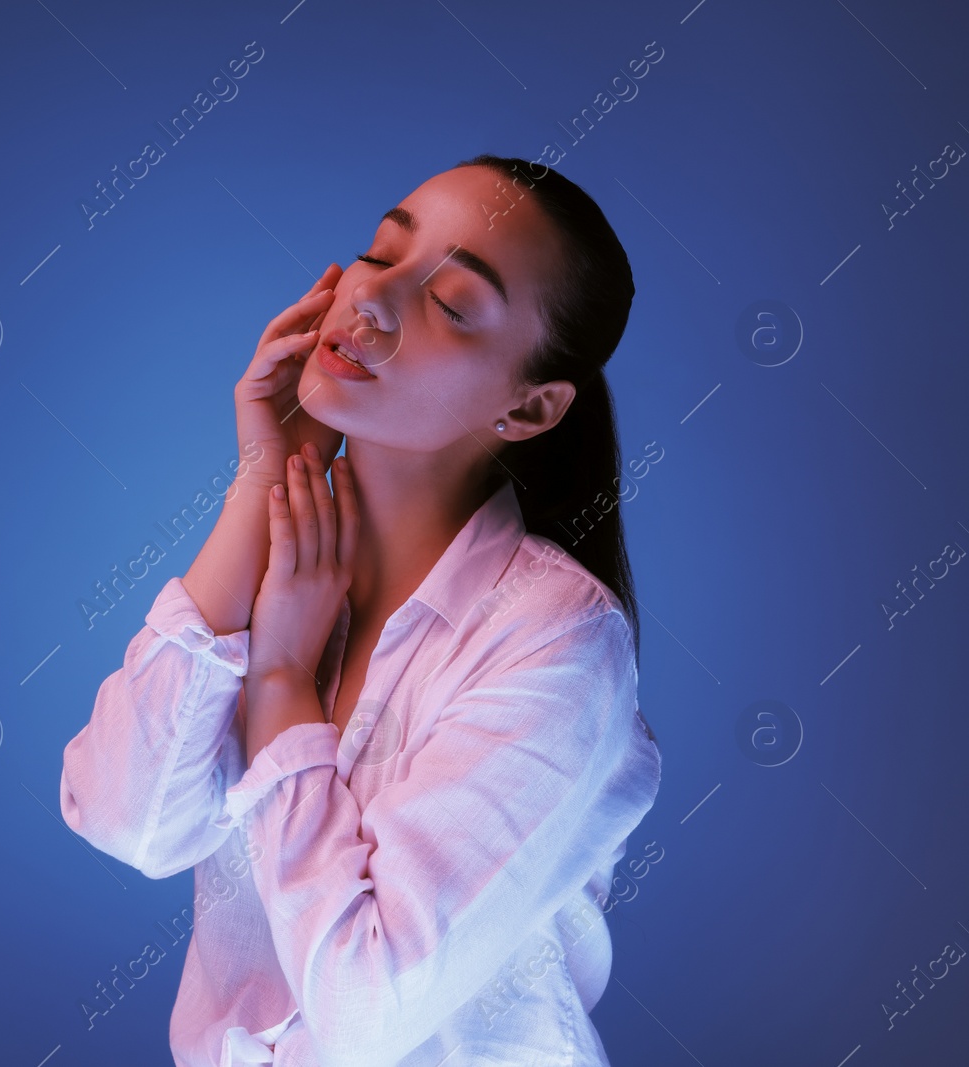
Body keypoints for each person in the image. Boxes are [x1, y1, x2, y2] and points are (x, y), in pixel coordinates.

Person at [60, 154, 662, 1066]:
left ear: (531, 408)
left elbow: (365, 1009)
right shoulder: (292, 563)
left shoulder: (555, 637)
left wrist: (281, 685)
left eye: (452, 303)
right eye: (380, 254)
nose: (373, 303)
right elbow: (128, 821)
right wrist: (258, 486)